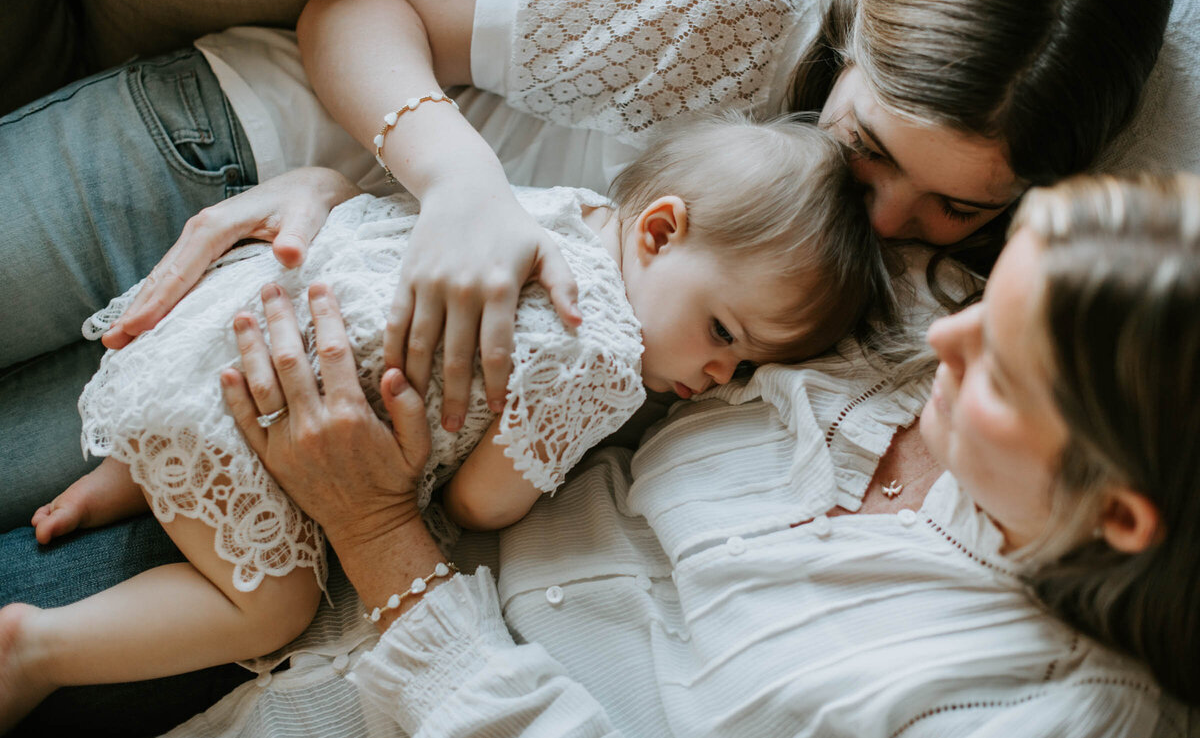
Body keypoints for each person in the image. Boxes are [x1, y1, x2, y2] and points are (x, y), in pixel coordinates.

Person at [0, 0, 1173, 730]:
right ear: (853, 37)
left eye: (958, 203)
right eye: (867, 147)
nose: (888, 218)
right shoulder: (745, 7)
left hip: (301, 363)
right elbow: (362, 15)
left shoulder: (937, 310)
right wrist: (450, 185)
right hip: (251, 160)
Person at [132, 170, 1196, 737]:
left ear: (1119, 515)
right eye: (987, 306)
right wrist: (346, 201)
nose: (946, 347)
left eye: (1002, 370)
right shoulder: (906, 324)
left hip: (303, 617)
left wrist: (380, 537)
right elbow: (643, 227)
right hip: (260, 523)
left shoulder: (1057, 712)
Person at [0, 113, 890, 729]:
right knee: (271, 606)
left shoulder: (558, 211)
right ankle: (38, 646)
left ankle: (111, 483)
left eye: (743, 368)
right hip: (265, 415)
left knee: (228, 411)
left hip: (219, 329)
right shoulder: (607, 357)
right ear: (659, 233)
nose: (715, 374)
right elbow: (480, 501)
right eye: (724, 333)